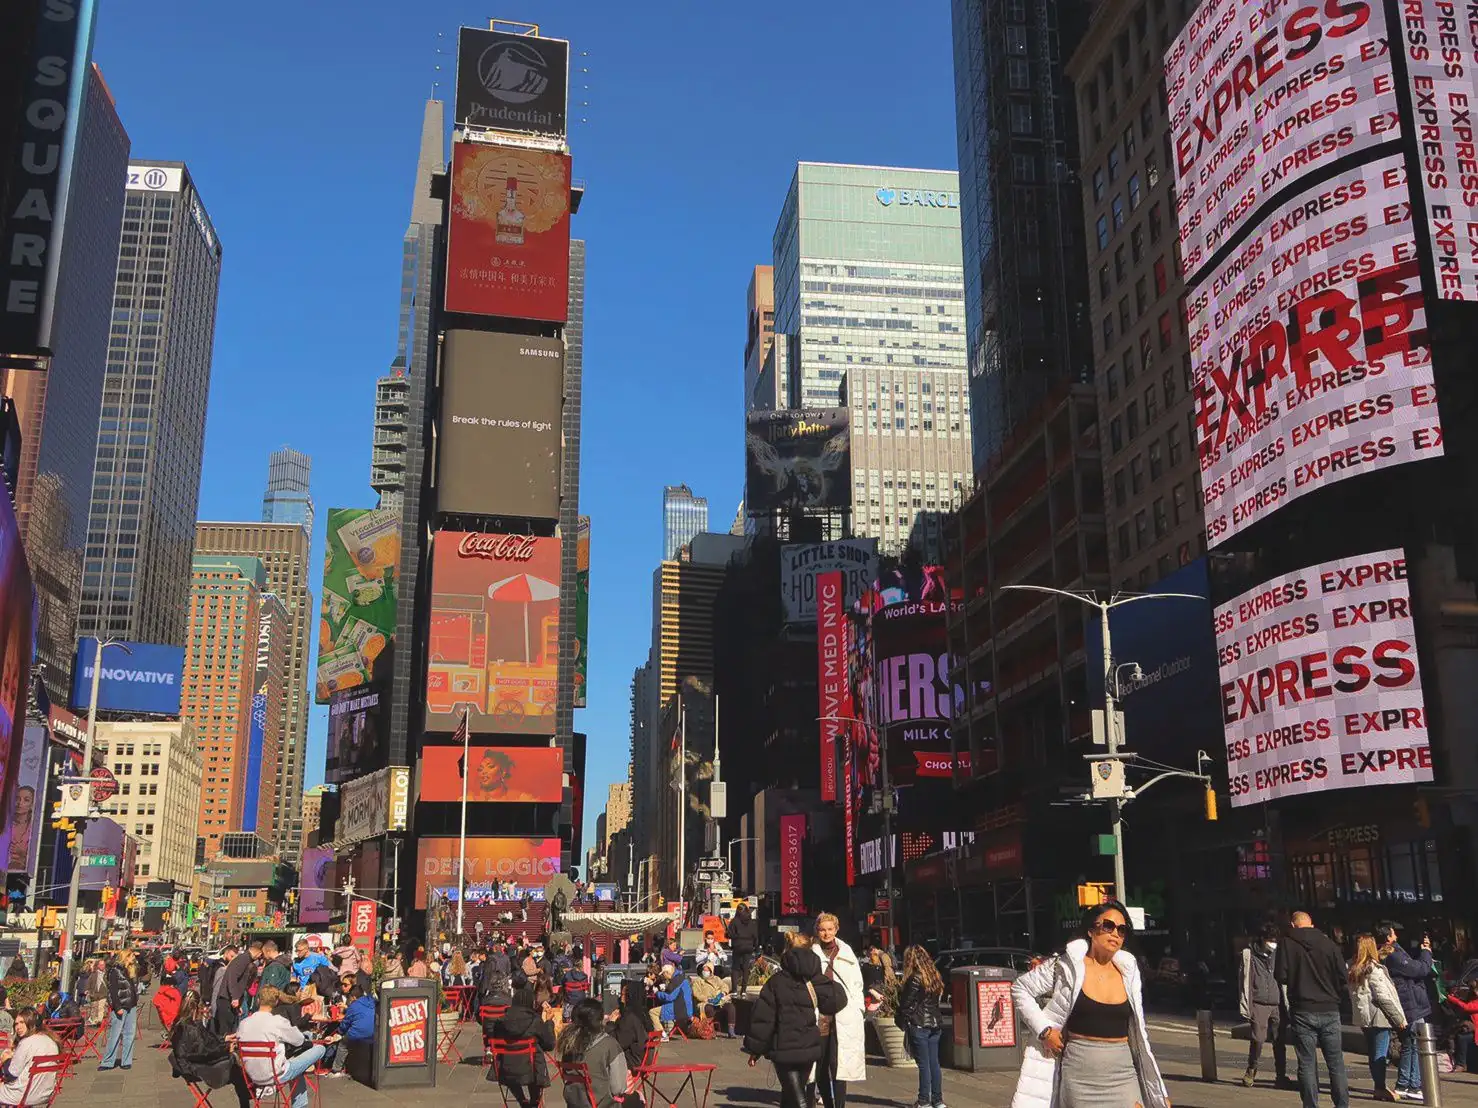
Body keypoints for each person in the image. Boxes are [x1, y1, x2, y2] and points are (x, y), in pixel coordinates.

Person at [1009, 899, 1168, 1108]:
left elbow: (1141, 1035)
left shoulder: (1129, 971)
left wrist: (1158, 1093)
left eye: (1121, 930)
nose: (1115, 934)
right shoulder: (1066, 966)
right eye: (1108, 926)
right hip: (1079, 1077)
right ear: (1091, 931)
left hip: (1123, 1074)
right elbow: (1020, 988)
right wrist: (1045, 1031)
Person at [743, 939, 847, 1108]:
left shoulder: (776, 982)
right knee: (790, 1095)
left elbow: (763, 1019)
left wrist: (755, 1050)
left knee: (798, 1098)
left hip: (784, 1049)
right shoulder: (813, 981)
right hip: (809, 1047)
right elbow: (838, 1000)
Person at [1276, 911, 1351, 1108]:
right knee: (1336, 1062)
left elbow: (1280, 975)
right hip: (1329, 1008)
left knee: (1307, 1063)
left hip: (1302, 1009)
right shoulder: (1329, 944)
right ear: (1311, 923)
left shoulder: (1287, 943)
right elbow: (1343, 976)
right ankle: (1342, 1105)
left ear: (1293, 925)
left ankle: (1310, 1105)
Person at [235, 986, 326, 1108]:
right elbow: (299, 1040)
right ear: (277, 1002)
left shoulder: (243, 1024)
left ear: (258, 1001)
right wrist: (311, 1043)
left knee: (296, 1067)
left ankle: (301, 1104)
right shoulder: (277, 1021)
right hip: (277, 1074)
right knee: (320, 1048)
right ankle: (299, 1105)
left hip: (253, 1075)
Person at [814, 912, 866, 1108]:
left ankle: (840, 1105)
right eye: (822, 929)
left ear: (836, 930)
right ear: (817, 931)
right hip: (821, 1015)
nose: (826, 933)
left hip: (843, 1015)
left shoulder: (846, 952)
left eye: (829, 929)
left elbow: (856, 983)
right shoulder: (812, 952)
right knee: (819, 1064)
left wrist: (858, 1010)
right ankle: (827, 1101)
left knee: (839, 1065)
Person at [1379, 923, 1434, 1101]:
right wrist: (1426, 953)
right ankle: (1413, 1084)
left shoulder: (1391, 952)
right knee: (1416, 1043)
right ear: (1388, 936)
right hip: (1410, 1003)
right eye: (1393, 932)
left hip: (1409, 1002)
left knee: (1410, 1044)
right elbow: (1419, 969)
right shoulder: (1393, 955)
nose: (1396, 934)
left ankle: (1405, 1083)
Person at [169, 990, 250, 1108]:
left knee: (236, 1069)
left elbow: (206, 1040)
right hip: (195, 1068)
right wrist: (226, 1049)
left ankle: (246, 1096)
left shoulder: (182, 1023)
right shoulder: (191, 1027)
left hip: (190, 1063)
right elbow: (204, 1053)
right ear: (197, 1006)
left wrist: (224, 1039)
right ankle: (247, 1100)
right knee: (236, 1069)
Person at [1351, 933, 1408, 1101]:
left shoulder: (1353, 968)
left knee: (1373, 1052)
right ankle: (1380, 1087)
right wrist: (1398, 1019)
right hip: (1379, 1016)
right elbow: (1382, 996)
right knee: (1380, 1054)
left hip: (1364, 1017)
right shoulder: (1373, 969)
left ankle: (1379, 1086)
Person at [487, 981, 557, 1108]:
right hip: (532, 1071)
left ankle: (522, 1100)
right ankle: (534, 1102)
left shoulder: (500, 1022)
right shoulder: (535, 1020)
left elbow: (494, 1041)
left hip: (506, 1069)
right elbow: (549, 1045)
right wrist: (549, 1023)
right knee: (533, 1061)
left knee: (517, 1063)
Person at [1239, 923, 1291, 1087]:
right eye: (1270, 940)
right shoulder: (1250, 955)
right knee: (1258, 1039)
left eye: (1275, 940)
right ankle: (1251, 1068)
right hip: (1259, 1002)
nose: (1273, 943)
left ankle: (1281, 1075)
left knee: (1279, 1040)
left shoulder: (1279, 954)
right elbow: (1243, 979)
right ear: (1262, 939)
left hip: (1277, 1002)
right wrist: (1247, 1003)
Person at [558, 997, 629, 1108]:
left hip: (575, 1103)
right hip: (603, 1104)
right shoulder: (610, 1045)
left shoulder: (567, 1045)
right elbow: (618, 1088)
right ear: (599, 1020)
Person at [897, 945, 945, 1108]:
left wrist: (904, 1018)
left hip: (919, 1024)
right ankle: (938, 1100)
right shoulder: (934, 975)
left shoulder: (915, 977)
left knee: (924, 1065)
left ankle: (924, 1100)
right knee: (934, 1063)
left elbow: (906, 1003)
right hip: (935, 1024)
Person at [0, 1007, 58, 1105]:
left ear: (31, 1022)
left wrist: (6, 1059)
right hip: (44, 1093)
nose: (18, 1027)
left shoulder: (26, 1043)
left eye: (22, 1022)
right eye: (16, 1024)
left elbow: (11, 1075)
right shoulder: (51, 1041)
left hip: (22, 1095)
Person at [99, 949, 141, 1072]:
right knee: (115, 1035)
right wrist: (117, 1007)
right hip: (121, 1006)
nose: (133, 957)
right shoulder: (115, 971)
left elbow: (141, 975)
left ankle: (126, 1061)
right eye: (131, 956)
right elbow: (112, 991)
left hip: (131, 1005)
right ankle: (108, 1061)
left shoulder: (131, 970)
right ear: (126, 957)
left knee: (129, 1034)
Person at [327, 984, 375, 1078]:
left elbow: (345, 1023)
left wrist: (339, 1033)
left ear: (353, 997)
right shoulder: (372, 1001)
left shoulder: (354, 1006)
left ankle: (336, 1070)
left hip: (357, 1034)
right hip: (373, 1032)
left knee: (343, 1045)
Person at [218, 942, 259, 1034]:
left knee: (231, 1028)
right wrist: (235, 997)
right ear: (258, 952)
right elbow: (232, 977)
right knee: (226, 1031)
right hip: (227, 1000)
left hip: (231, 1001)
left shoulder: (245, 959)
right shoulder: (243, 959)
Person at [690, 964, 735, 1037]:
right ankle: (711, 1029)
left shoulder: (716, 979)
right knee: (709, 1008)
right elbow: (696, 993)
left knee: (730, 1007)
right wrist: (707, 999)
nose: (705, 972)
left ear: (711, 971)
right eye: (704, 970)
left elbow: (725, 986)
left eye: (707, 970)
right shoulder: (698, 981)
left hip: (718, 1001)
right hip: (704, 1002)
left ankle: (731, 1030)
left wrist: (722, 993)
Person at [652, 964, 693, 1043]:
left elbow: (670, 997)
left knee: (652, 1012)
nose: (664, 977)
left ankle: (663, 1035)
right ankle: (662, 1032)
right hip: (685, 1007)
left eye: (664, 974)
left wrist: (657, 993)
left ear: (667, 973)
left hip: (680, 1008)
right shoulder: (680, 977)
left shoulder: (676, 980)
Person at [729, 905, 759, 997]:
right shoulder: (752, 922)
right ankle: (743, 990)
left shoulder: (734, 921)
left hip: (738, 946)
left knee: (735, 968)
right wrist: (756, 947)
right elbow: (756, 936)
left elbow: (731, 934)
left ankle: (734, 990)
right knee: (746, 968)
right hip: (749, 947)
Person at [83, 958, 109, 1025]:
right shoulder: (94, 974)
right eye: (100, 965)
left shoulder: (107, 974)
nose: (102, 966)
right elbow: (89, 982)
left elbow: (109, 983)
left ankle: (99, 1021)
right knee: (94, 1008)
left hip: (103, 994)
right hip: (94, 994)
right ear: (98, 966)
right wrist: (87, 989)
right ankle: (93, 1020)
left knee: (101, 1008)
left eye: (103, 965)